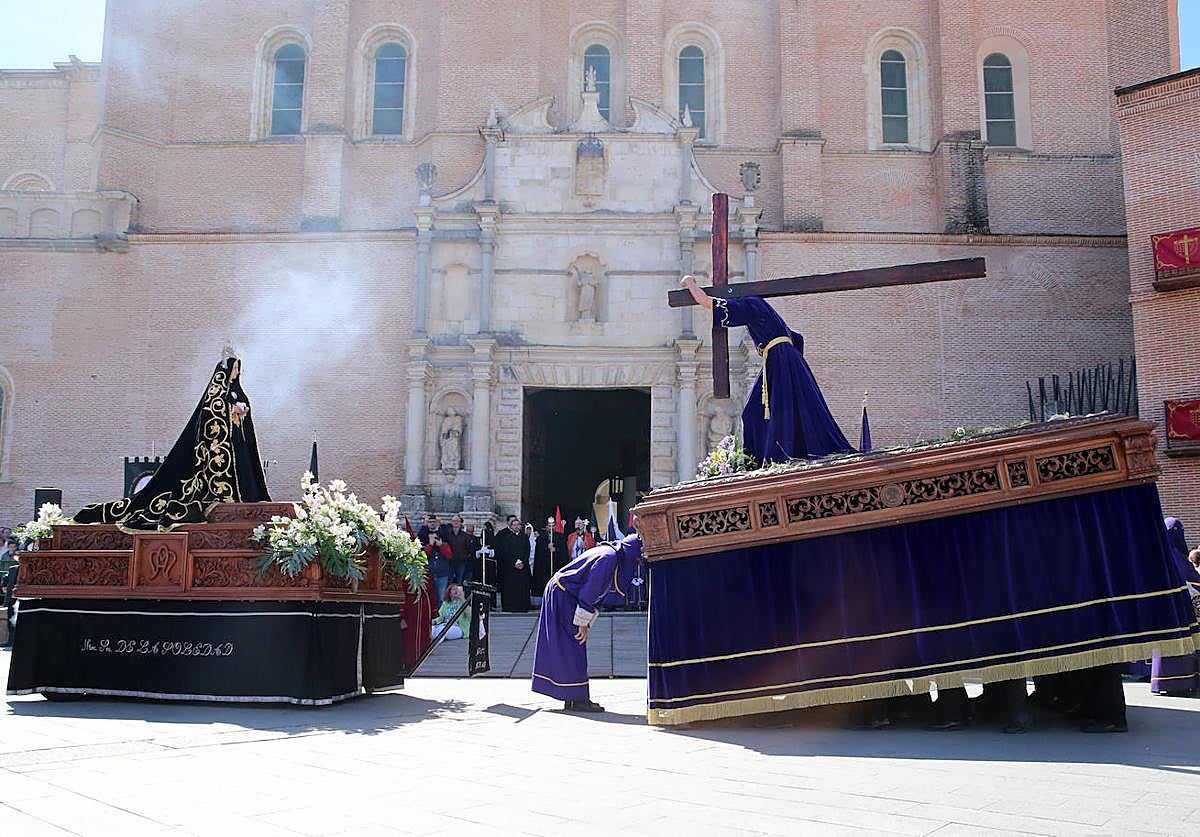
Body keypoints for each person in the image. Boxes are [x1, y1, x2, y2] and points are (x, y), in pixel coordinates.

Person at [74, 349, 271, 529]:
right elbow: (210, 414)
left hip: (236, 447)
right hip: (217, 453)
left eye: (238, 369)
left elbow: (244, 408)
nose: (236, 373)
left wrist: (243, 409)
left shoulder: (237, 390)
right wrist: (231, 409)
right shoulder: (215, 393)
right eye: (234, 369)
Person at [679, 275, 854, 466]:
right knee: (769, 409)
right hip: (787, 361)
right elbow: (798, 339)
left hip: (779, 361)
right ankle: (778, 454)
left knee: (762, 411)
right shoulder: (766, 310)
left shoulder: (751, 304)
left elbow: (706, 302)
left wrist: (690, 283)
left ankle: (772, 458)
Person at [532, 533, 644, 712]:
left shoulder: (610, 554)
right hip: (564, 595)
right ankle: (578, 698)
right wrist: (582, 623)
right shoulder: (609, 558)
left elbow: (596, 593)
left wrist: (586, 621)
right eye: (638, 558)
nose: (637, 563)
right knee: (575, 644)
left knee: (570, 646)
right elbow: (590, 592)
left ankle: (571, 695)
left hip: (564, 594)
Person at [1149, 518, 1200, 696]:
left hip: (1161, 608)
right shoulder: (1176, 556)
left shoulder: (1156, 553)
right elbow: (1192, 579)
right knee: (1180, 642)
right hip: (1179, 609)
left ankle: (1162, 680)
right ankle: (1180, 681)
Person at [493, 514, 530, 612]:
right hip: (511, 568)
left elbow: (527, 551)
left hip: (523, 567)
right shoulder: (506, 538)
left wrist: (523, 562)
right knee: (510, 588)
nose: (516, 526)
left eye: (518, 525)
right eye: (514, 525)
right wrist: (514, 563)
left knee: (522, 588)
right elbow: (506, 553)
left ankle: (522, 607)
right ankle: (510, 607)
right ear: (510, 526)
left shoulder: (524, 537)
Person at [446, 514, 473, 587]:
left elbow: (470, 549)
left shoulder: (465, 536)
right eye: (454, 521)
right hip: (449, 562)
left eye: (457, 521)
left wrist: (465, 556)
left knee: (459, 582)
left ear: (461, 523)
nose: (456, 522)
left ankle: (458, 598)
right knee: (449, 582)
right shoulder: (447, 535)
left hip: (461, 563)